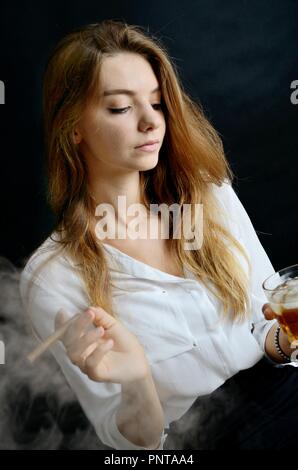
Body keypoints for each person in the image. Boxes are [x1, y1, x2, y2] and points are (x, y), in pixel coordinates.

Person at [19, 19, 298, 451]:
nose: (152, 122)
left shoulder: (210, 193)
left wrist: (288, 335)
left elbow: (268, 325)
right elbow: (136, 445)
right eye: (120, 108)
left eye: (156, 102)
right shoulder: (52, 279)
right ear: (73, 127)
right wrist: (136, 380)